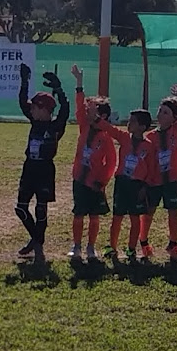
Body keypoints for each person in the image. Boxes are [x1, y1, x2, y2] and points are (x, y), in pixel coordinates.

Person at [15, 64, 70, 262]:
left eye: (35, 107)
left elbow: (65, 109)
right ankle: (37, 238)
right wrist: (24, 81)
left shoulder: (55, 126)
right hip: (29, 167)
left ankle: (37, 243)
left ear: (45, 109)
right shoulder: (35, 121)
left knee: (41, 208)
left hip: (45, 170)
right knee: (20, 207)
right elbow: (22, 102)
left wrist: (58, 89)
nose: (31, 110)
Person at [68, 65, 116, 261]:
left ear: (102, 116)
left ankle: (90, 247)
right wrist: (79, 82)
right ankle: (77, 245)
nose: (87, 111)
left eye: (92, 109)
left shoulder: (106, 137)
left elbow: (111, 162)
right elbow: (79, 107)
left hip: (95, 183)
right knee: (79, 213)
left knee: (94, 216)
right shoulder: (84, 127)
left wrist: (102, 181)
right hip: (80, 178)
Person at [96, 108, 155, 263]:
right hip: (122, 182)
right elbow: (110, 129)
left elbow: (152, 169)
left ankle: (131, 248)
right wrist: (96, 119)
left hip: (137, 185)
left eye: (133, 122)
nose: (129, 124)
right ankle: (112, 246)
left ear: (142, 127)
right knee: (117, 216)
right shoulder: (124, 138)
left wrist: (145, 186)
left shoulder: (148, 146)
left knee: (135, 219)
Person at [141, 85, 177, 261]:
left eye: (166, 113)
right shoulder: (149, 136)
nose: (161, 115)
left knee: (173, 212)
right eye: (160, 111)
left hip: (171, 180)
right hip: (154, 181)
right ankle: (143, 241)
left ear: (173, 119)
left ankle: (173, 243)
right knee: (149, 212)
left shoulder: (175, 131)